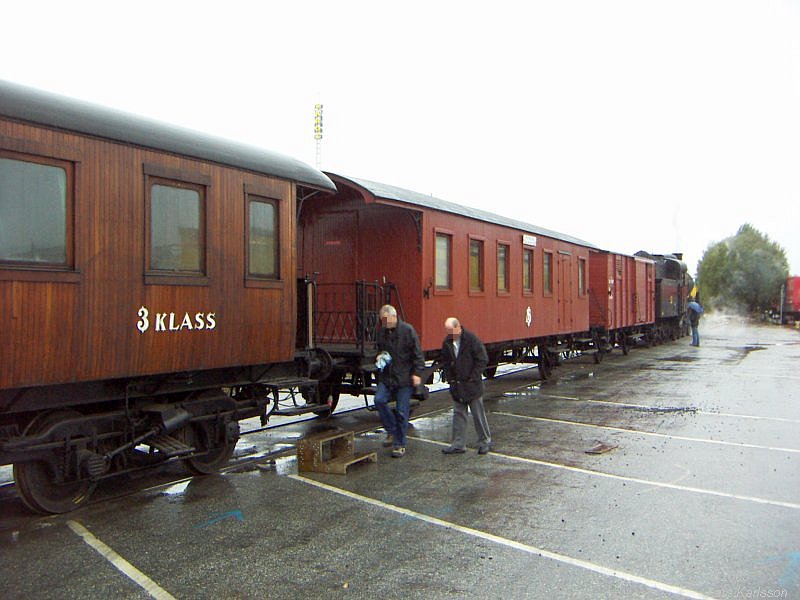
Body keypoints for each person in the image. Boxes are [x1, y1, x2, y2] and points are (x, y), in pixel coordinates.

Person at [374, 305, 425, 458]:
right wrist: (378, 357)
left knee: (402, 411)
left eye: (385, 319)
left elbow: (418, 354)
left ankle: (399, 444)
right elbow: (379, 350)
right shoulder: (382, 332)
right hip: (387, 376)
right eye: (381, 319)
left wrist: (417, 373)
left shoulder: (407, 330)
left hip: (404, 378)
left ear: (393, 316)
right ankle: (392, 430)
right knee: (379, 400)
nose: (383, 322)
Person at [439, 317, 492, 455]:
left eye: (451, 331)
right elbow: (446, 363)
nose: (449, 334)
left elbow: (482, 359)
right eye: (448, 332)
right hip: (457, 385)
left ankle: (485, 442)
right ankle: (458, 444)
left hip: (472, 385)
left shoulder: (471, 339)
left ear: (458, 327)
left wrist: (474, 377)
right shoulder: (447, 343)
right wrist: (450, 380)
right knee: (458, 414)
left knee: (478, 415)